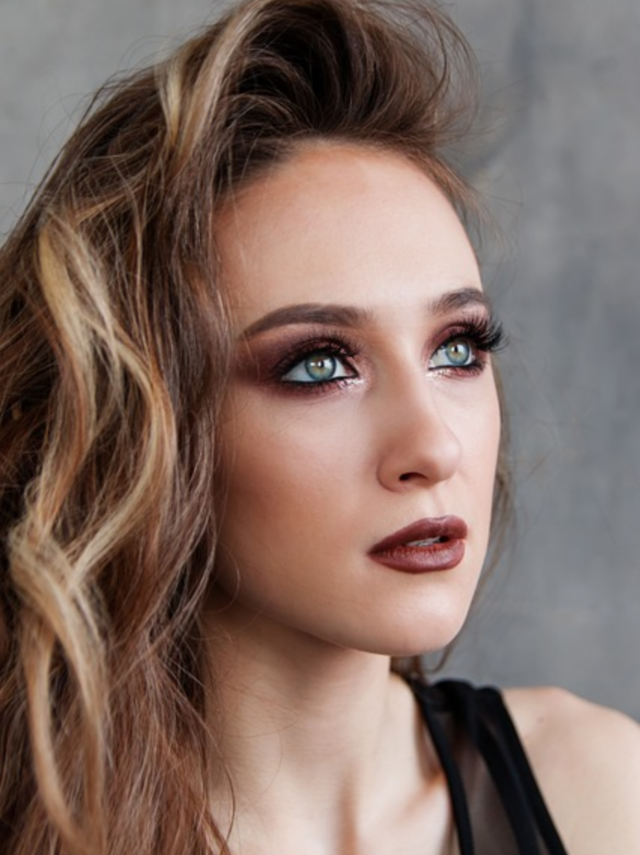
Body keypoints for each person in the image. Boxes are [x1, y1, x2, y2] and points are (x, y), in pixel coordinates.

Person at [1, 0, 639, 852]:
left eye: (457, 348)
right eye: (319, 365)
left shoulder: (600, 794)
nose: (435, 446)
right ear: (148, 425)